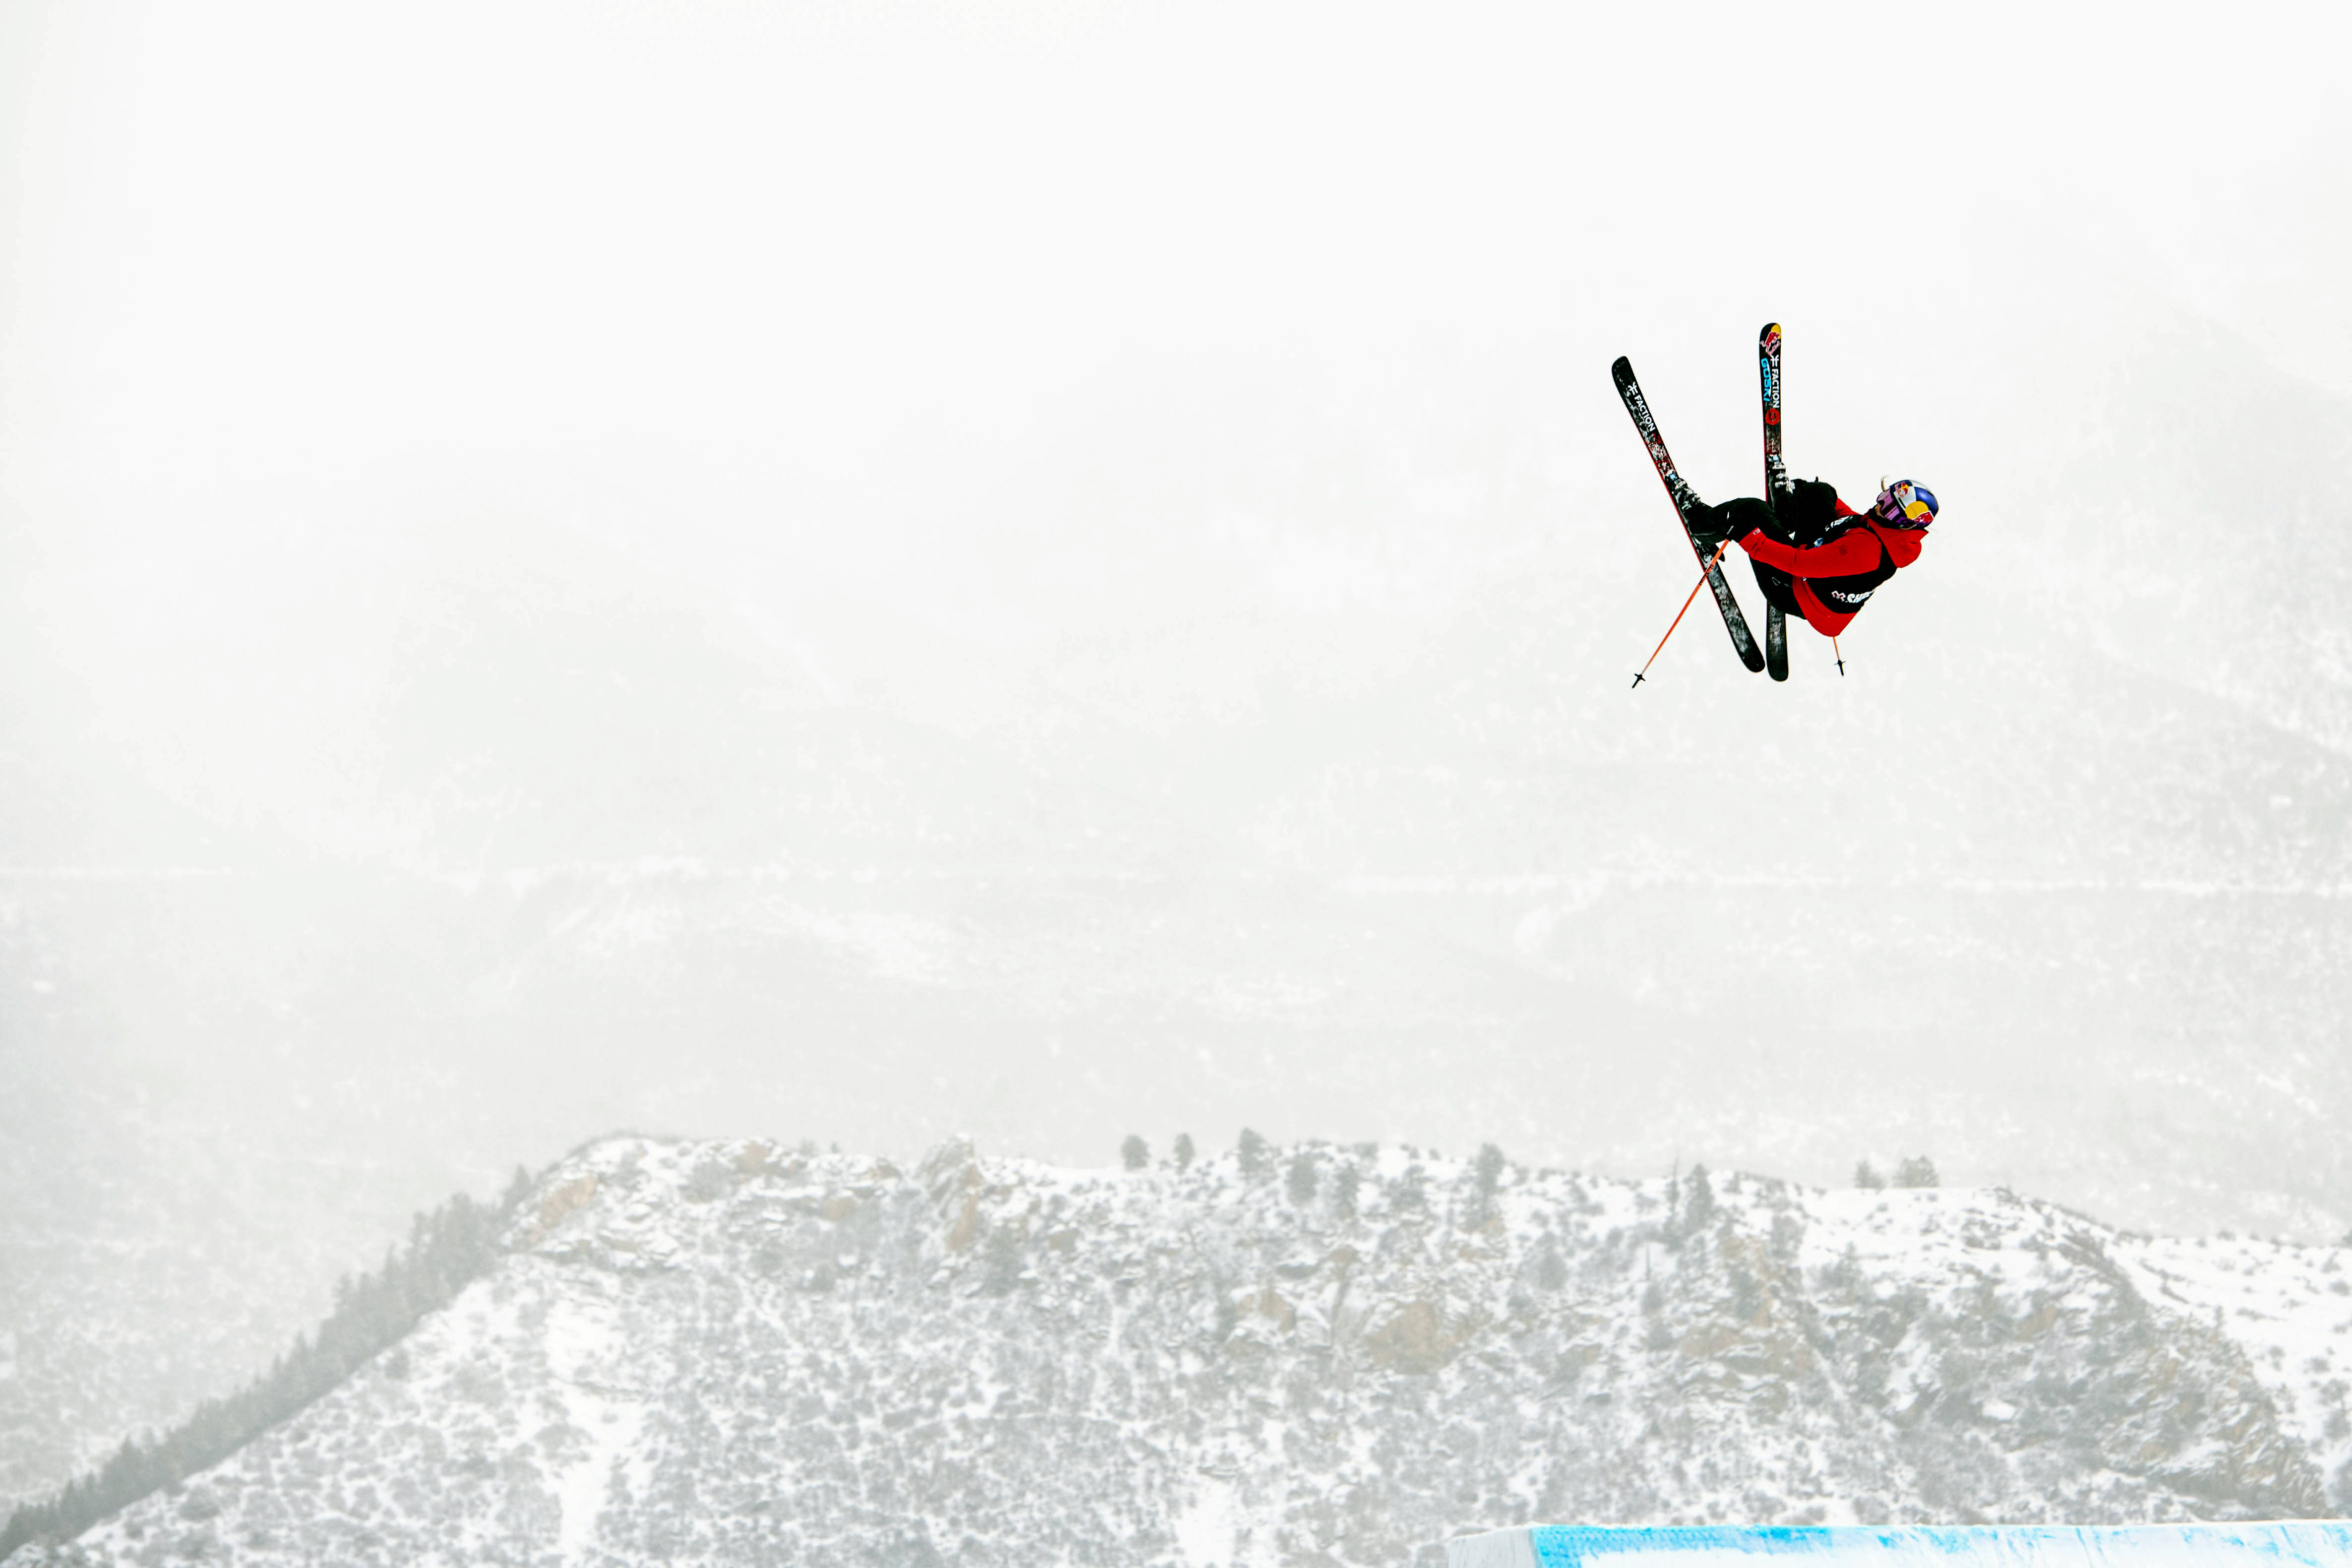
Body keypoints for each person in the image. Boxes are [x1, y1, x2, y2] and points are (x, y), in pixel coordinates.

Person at [1685, 479, 1939, 638]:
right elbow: (1851, 524)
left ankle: (1700, 526)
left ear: (1904, 523)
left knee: (1751, 511)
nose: (1879, 504)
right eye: (1885, 496)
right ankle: (1785, 513)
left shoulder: (1866, 551)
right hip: (1817, 566)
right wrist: (1810, 496)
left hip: (1794, 589)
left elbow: (1798, 563)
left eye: (1889, 506)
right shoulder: (1887, 533)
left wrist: (1746, 536)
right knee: (1820, 492)